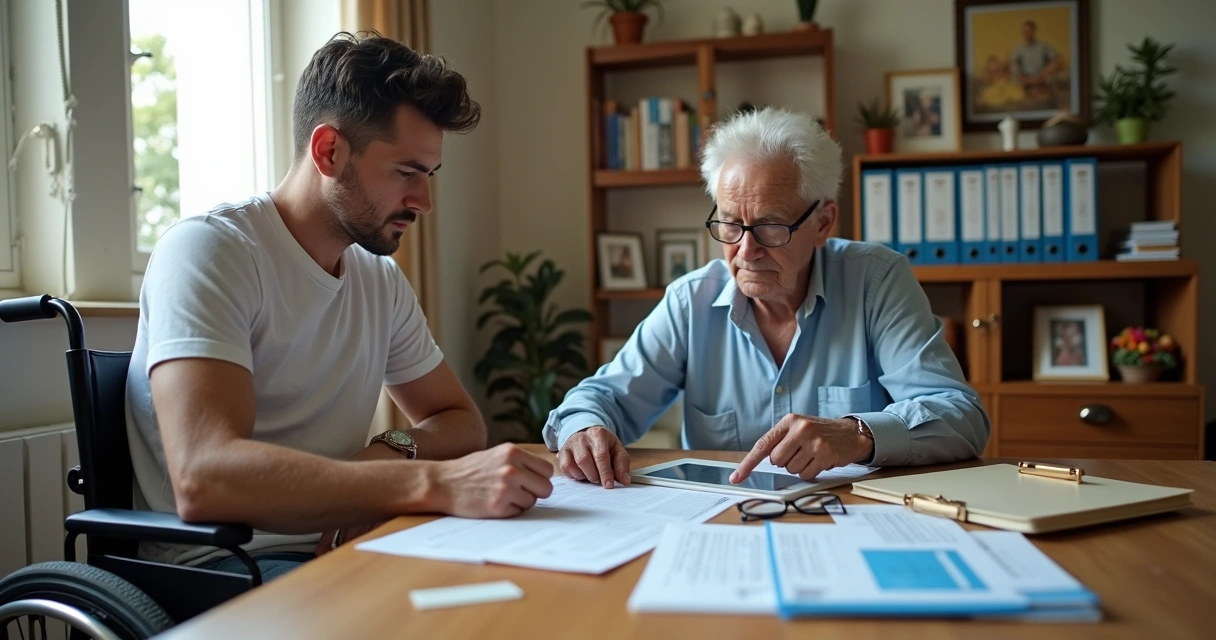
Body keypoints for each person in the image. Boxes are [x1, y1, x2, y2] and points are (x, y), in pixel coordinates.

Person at [125, 32, 554, 582]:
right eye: (406, 173)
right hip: (231, 565)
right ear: (329, 151)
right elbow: (205, 477)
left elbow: (460, 422)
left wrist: (388, 453)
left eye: (429, 175)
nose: (423, 202)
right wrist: (429, 483)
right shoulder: (210, 251)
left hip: (354, 545)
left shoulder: (379, 279)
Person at [544, 108, 989, 489]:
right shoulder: (690, 301)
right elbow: (601, 398)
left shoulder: (877, 281)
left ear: (823, 222)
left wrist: (857, 434)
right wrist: (586, 428)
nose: (745, 251)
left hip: (846, 521)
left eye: (771, 226)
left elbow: (961, 417)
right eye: (731, 225)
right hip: (720, 524)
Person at [1011, 20, 1065, 104]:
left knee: (1050, 82)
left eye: (1029, 31)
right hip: (1026, 79)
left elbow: (1058, 60)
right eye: (1024, 31)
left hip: (1042, 77)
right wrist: (1026, 79)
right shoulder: (1019, 49)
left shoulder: (1043, 46)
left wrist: (1042, 75)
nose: (1027, 34)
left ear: (1034, 31)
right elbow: (1014, 66)